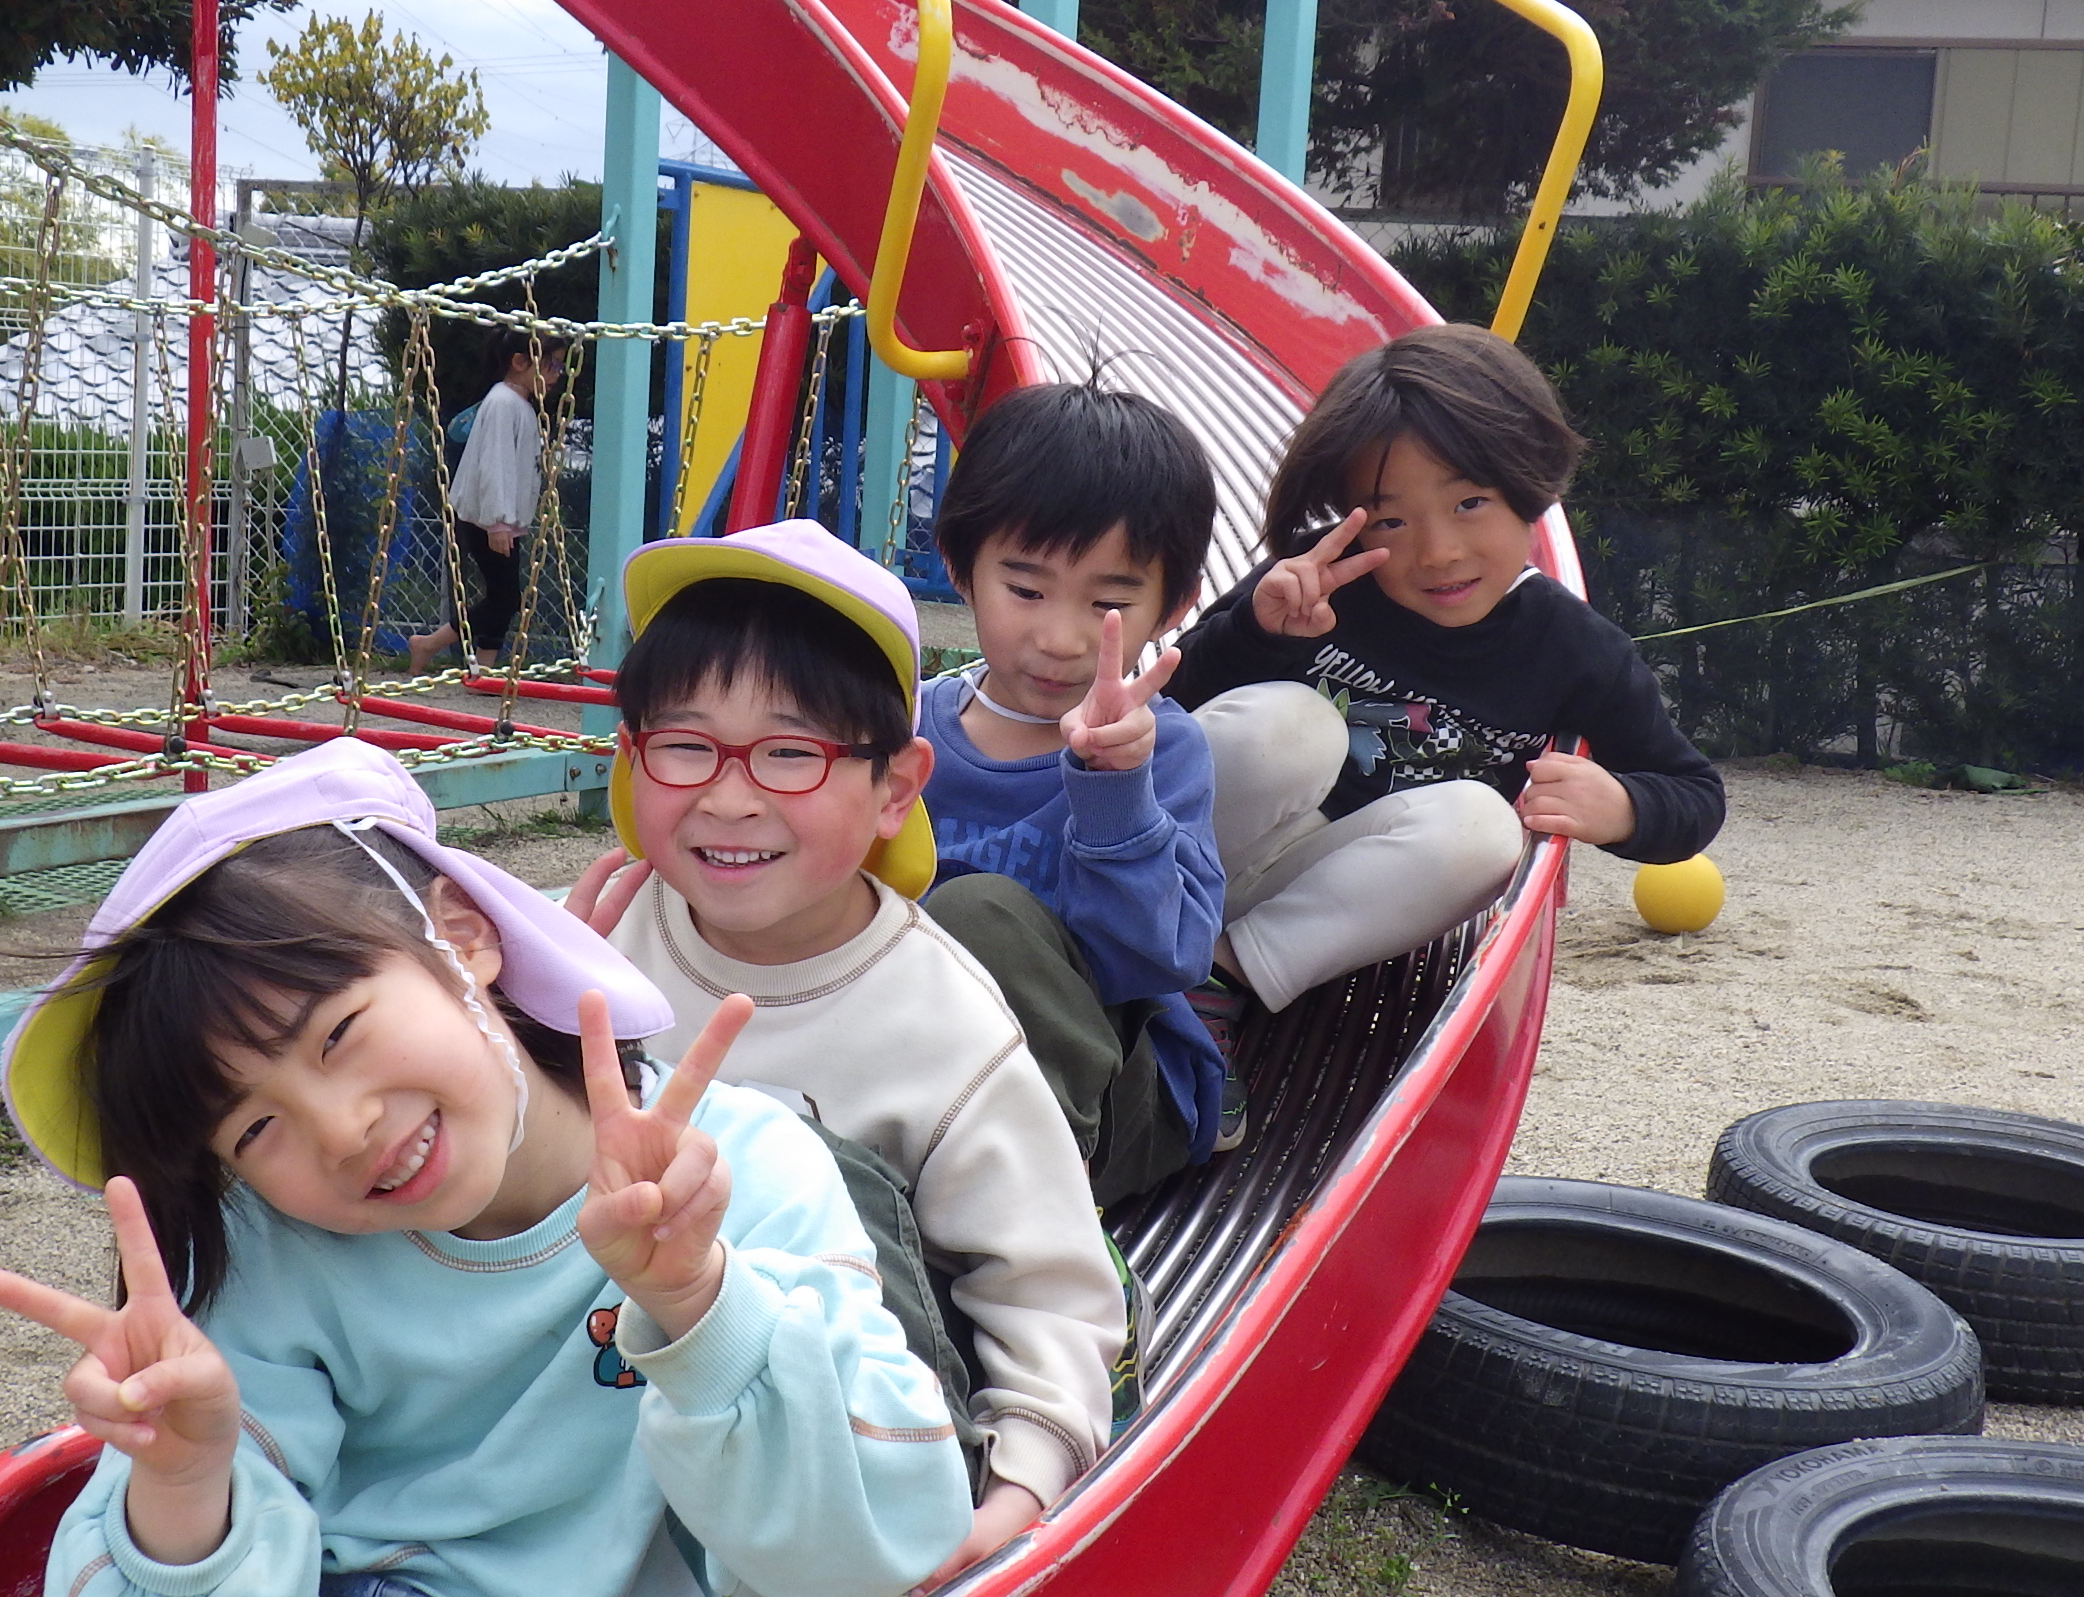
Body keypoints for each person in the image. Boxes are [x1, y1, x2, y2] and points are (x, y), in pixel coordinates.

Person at [0, 737, 970, 1597]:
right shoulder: (271, 1251)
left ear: (463, 937)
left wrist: (699, 1300)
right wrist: (189, 1486)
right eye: (254, 1130)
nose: (340, 1132)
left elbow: (878, 1551)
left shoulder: (736, 1174)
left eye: (338, 1034)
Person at [566, 520, 1127, 1590]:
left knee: (806, 1164)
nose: (730, 797)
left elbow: (1050, 1290)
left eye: (792, 754)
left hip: (846, 1425)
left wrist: (1014, 1493)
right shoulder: (601, 941)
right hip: (643, 1384)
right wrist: (526, 998)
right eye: (684, 745)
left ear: (896, 788)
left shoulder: (941, 1021)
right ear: (631, 758)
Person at [1168, 323, 1726, 1021]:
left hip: (1323, 897)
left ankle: (1215, 985)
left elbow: (1695, 792)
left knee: (1484, 828)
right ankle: (1127, 913)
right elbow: (1169, 709)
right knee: (1291, 723)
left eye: (1469, 504)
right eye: (1391, 522)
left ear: (1530, 485)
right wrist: (1256, 632)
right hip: (1188, 861)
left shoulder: (1571, 649)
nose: (1438, 552)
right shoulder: (1317, 581)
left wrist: (1624, 808)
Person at [914, 380, 1232, 1172]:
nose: (1060, 638)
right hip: (911, 1072)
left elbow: (1161, 959)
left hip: (1101, 1105)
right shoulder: (902, 727)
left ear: (1176, 605)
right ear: (959, 567)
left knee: (979, 912)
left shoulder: (1162, 750)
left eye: (1108, 604)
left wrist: (1113, 788)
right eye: (1026, 590)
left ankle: (1032, 1208)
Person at [412, 328, 562, 675]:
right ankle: (429, 644)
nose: (557, 375)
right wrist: (498, 522)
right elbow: (494, 465)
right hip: (488, 518)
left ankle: (483, 667)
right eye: (551, 365)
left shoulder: (518, 404)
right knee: (505, 597)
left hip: (502, 518)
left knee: (503, 595)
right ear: (519, 362)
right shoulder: (502, 403)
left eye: (559, 367)